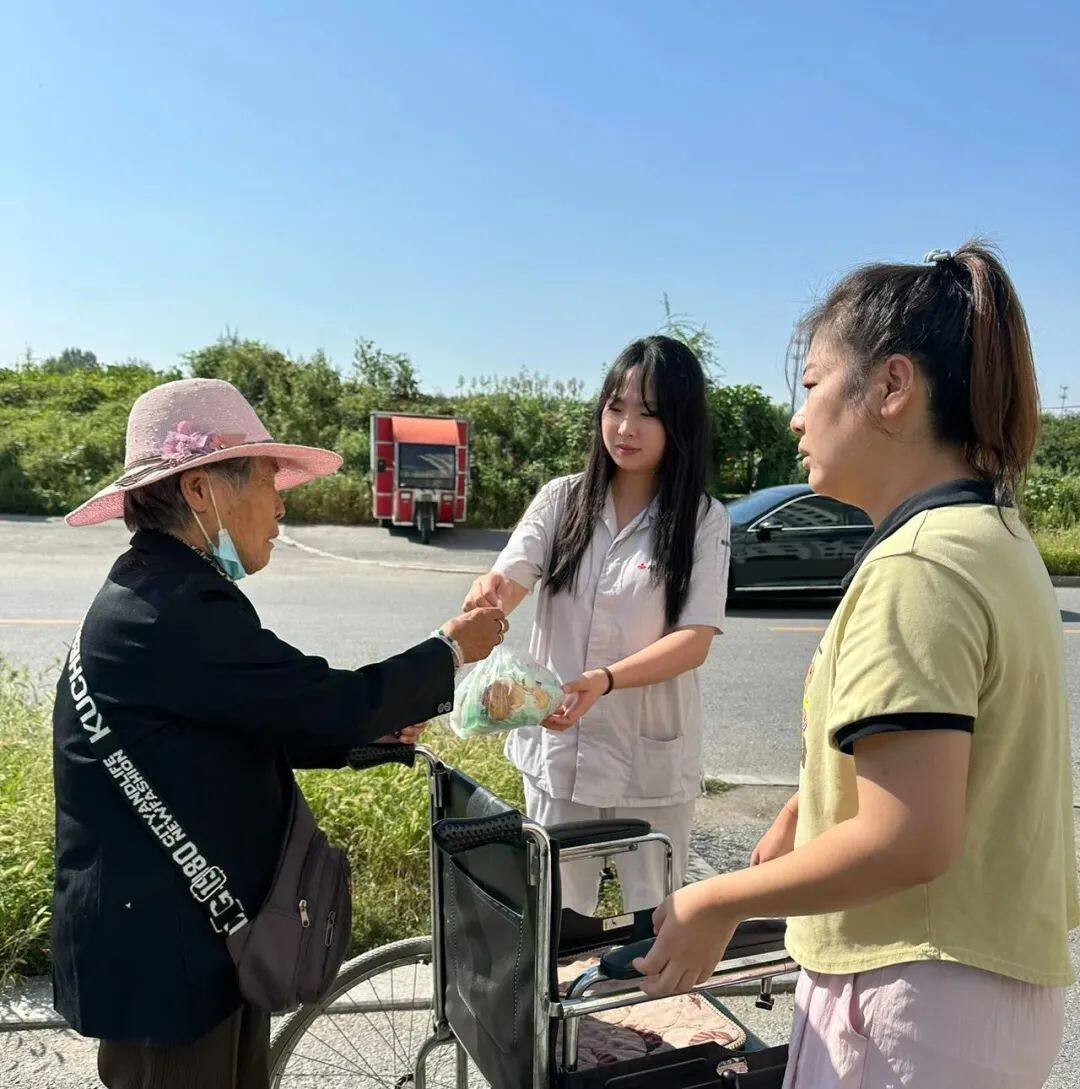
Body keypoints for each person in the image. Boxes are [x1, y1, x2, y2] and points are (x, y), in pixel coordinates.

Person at [631, 243, 1078, 1088]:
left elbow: (910, 834)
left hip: (915, 990)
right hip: (976, 981)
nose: (796, 417)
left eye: (810, 385)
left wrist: (714, 901)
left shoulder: (918, 567)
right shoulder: (995, 537)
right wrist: (811, 803)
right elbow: (949, 755)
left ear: (891, 388)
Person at [52, 377, 506, 1089]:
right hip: (163, 961)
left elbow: (256, 719)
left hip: (185, 941)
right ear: (202, 491)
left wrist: (372, 735)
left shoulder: (161, 587)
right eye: (267, 478)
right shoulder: (172, 606)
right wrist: (451, 648)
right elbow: (315, 701)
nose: (282, 500)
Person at [462, 335, 731, 915]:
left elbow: (694, 641)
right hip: (560, 749)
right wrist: (488, 597)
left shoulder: (703, 521)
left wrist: (603, 680)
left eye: (648, 412)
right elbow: (508, 580)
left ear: (680, 423)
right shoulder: (562, 500)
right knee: (555, 917)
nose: (626, 427)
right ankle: (570, 1010)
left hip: (650, 760)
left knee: (654, 920)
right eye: (616, 406)